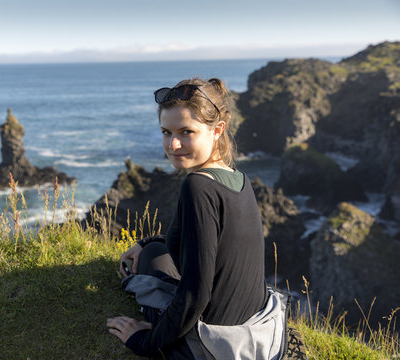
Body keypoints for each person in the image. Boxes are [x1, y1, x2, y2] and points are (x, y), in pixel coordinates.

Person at [106, 78, 279, 359]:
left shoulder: (198, 187)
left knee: (151, 261)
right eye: (166, 132)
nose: (173, 144)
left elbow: (195, 295)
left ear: (217, 130)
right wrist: (149, 241)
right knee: (152, 250)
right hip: (256, 332)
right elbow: (212, 245)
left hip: (212, 344)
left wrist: (144, 341)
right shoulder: (238, 180)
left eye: (186, 132)